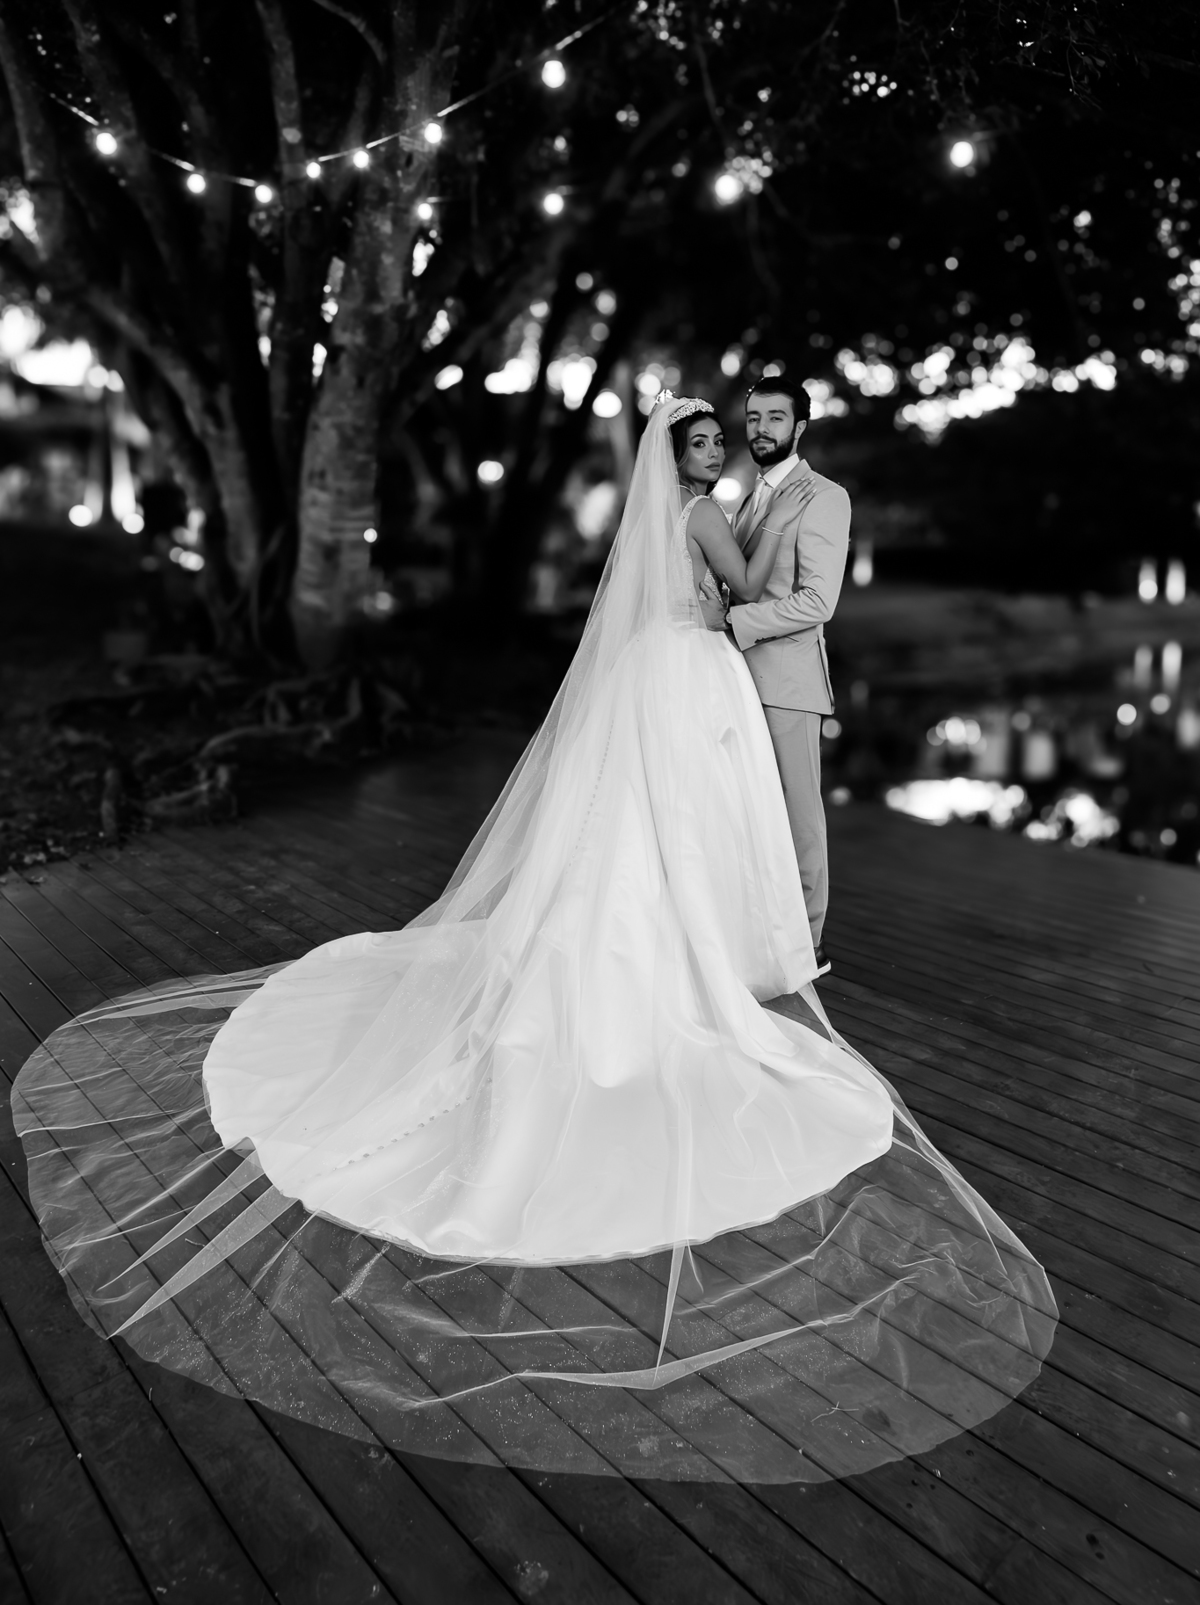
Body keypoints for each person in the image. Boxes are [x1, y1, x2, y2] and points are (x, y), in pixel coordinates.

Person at [11, 390, 1056, 1488]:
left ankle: (710, 947)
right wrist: (738, 583)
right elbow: (754, 592)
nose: (720, 446)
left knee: (645, 827)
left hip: (664, 671)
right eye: (705, 437)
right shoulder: (710, 511)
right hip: (697, 670)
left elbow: (754, 588)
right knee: (685, 826)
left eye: (725, 435)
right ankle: (720, 960)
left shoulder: (690, 509)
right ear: (682, 452)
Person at [699, 378, 848, 975]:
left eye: (775, 417)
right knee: (746, 811)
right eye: (754, 417)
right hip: (732, 678)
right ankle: (758, 932)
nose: (761, 428)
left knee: (797, 814)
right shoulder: (749, 496)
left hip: (787, 682)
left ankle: (808, 943)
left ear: (799, 427)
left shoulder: (825, 496)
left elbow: (818, 601)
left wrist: (734, 621)